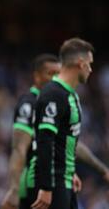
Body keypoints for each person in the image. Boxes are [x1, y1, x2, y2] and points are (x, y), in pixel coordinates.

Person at [1, 54, 109, 209]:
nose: (54, 78)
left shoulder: (59, 101)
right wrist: (14, 189)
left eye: (57, 74)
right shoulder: (29, 104)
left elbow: (68, 145)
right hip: (36, 181)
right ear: (36, 76)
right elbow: (19, 149)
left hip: (57, 178)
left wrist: (98, 169)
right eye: (50, 73)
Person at [26, 38, 94, 209]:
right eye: (89, 64)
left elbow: (62, 140)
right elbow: (45, 141)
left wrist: (71, 173)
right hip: (54, 183)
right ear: (80, 63)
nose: (91, 69)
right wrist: (46, 187)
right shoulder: (53, 94)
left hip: (66, 179)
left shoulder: (71, 94)